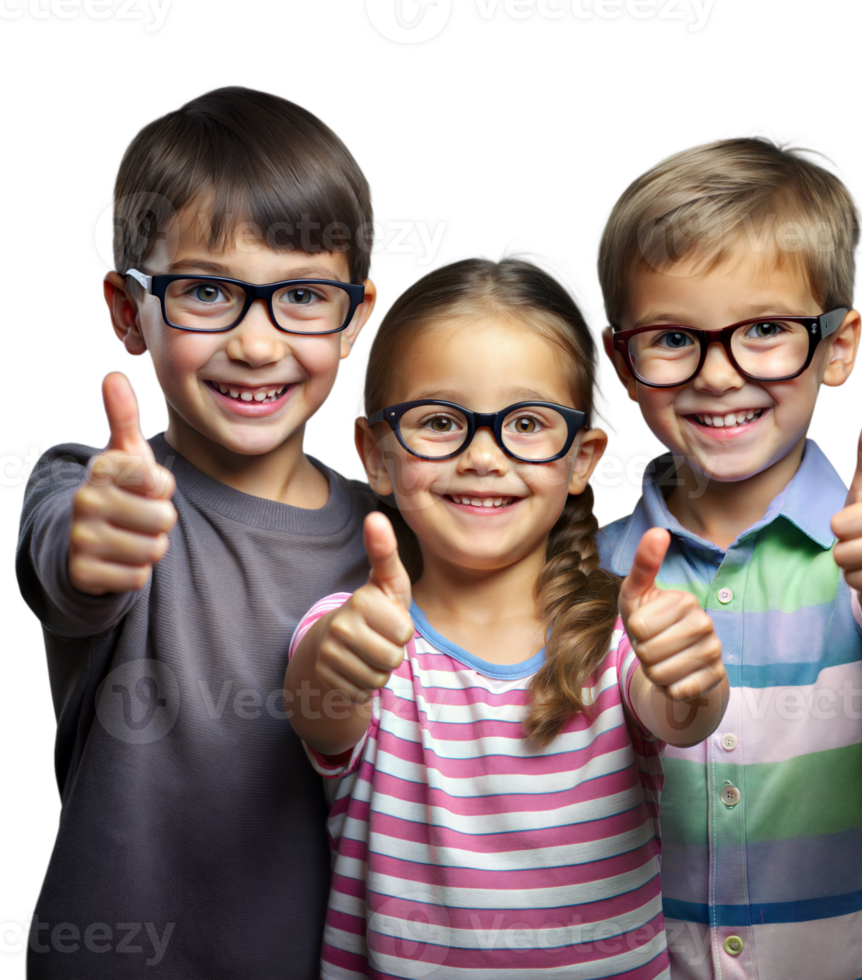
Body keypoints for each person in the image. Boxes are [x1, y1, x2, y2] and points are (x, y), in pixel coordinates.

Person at [591, 126, 862, 980]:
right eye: (672, 336)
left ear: (838, 345)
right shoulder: (593, 570)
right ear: (622, 360)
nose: (720, 373)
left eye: (765, 328)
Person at [283, 238, 730, 979]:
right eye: (438, 420)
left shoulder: (623, 637)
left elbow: (682, 715)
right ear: (375, 453)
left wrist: (694, 683)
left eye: (526, 424)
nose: (484, 456)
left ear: (584, 457)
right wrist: (339, 660)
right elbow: (320, 702)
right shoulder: (358, 630)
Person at [14, 84, 380, 979]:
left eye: (301, 296)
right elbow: (70, 560)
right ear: (127, 311)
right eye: (208, 291)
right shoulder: (93, 483)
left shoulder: (389, 533)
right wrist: (100, 539)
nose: (257, 345)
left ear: (358, 315)